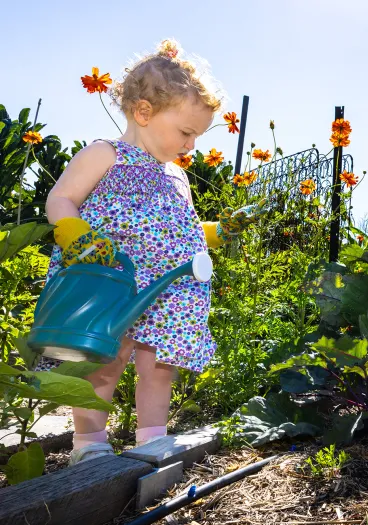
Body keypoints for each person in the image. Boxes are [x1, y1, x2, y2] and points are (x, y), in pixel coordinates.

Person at [41, 39, 262, 465]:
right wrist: (78, 238)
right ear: (144, 112)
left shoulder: (177, 176)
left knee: (161, 367)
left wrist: (218, 231)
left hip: (167, 289)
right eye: (186, 132)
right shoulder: (105, 155)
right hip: (112, 280)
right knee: (102, 361)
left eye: (196, 136)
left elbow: (180, 228)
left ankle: (151, 442)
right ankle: (90, 445)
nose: (191, 145)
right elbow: (60, 199)